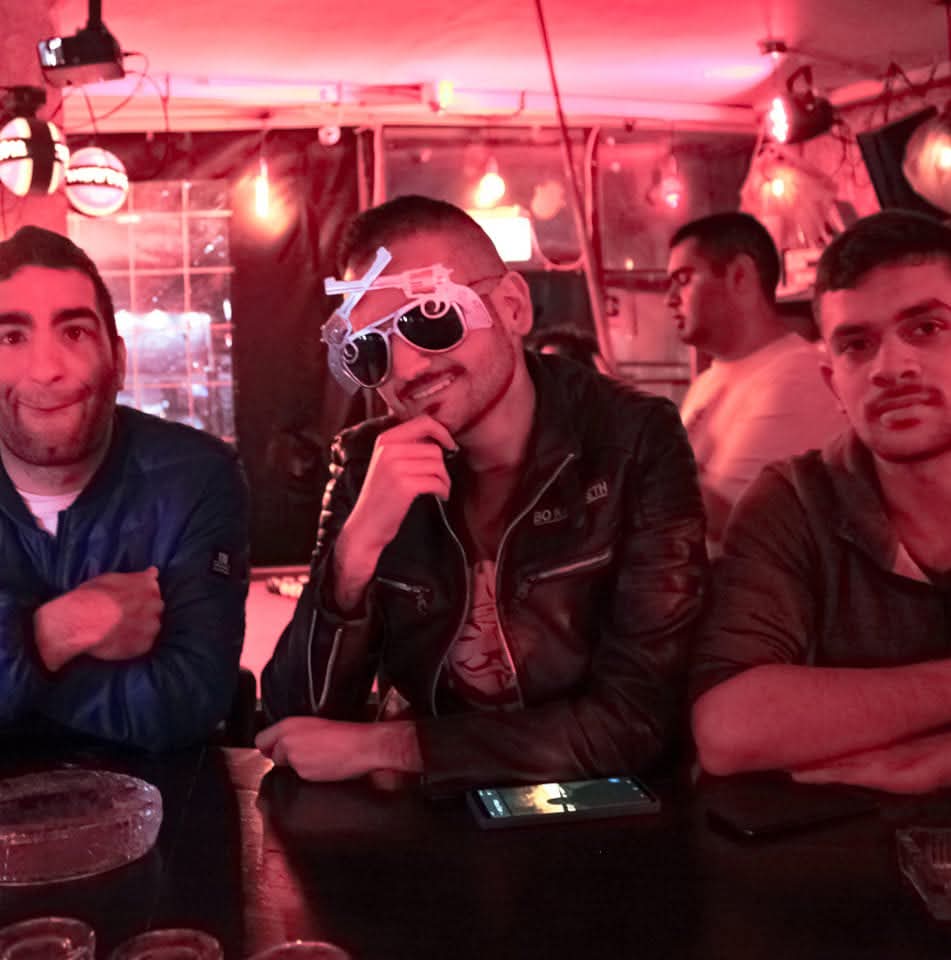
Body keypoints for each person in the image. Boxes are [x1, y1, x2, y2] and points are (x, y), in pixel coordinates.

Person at [259, 195, 706, 790]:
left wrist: (396, 747)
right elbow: (293, 723)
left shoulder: (633, 441)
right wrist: (355, 553)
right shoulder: (366, 462)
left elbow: (638, 719)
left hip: (603, 815)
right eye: (370, 350)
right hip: (435, 819)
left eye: (431, 318)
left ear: (512, 307)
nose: (407, 368)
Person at [690, 210, 951, 794]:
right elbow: (730, 728)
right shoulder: (796, 500)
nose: (892, 368)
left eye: (927, 327)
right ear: (834, 383)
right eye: (857, 344)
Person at [0, 226, 249, 751]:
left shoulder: (197, 476)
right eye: (11, 337)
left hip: (156, 795)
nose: (45, 370)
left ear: (117, 360)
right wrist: (52, 635)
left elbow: (190, 698)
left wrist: (15, 669)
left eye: (74, 333)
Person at [666, 212, 846, 550]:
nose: (670, 298)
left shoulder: (797, 375)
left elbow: (736, 525)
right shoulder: (707, 381)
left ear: (740, 276)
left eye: (684, 279)